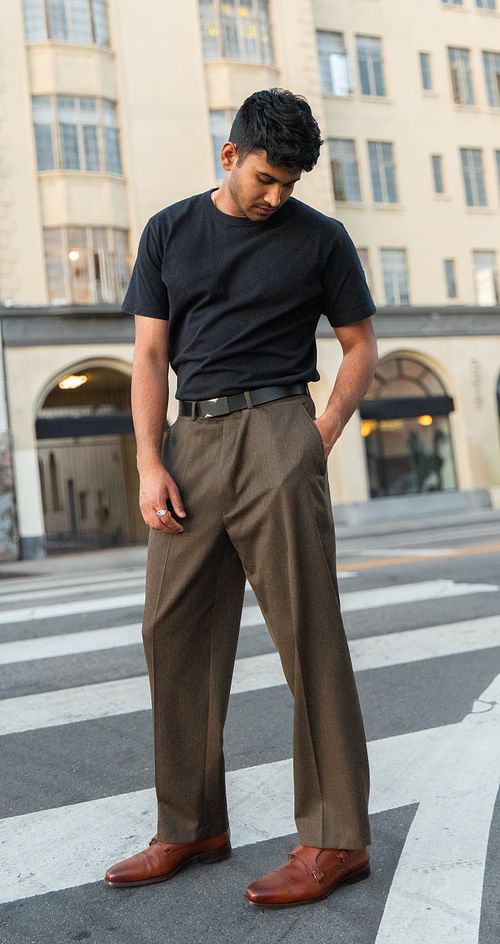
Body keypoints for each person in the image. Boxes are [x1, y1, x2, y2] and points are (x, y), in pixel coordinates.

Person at [104, 87, 378, 907]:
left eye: (291, 183)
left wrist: (318, 434)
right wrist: (150, 463)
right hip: (191, 443)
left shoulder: (321, 240)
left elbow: (361, 345)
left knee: (310, 635)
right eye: (266, 178)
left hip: (278, 431)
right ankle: (190, 824)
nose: (277, 196)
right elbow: (150, 357)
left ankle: (336, 838)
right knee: (171, 629)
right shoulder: (169, 231)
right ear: (229, 157)